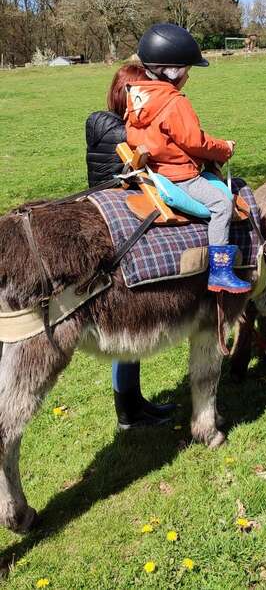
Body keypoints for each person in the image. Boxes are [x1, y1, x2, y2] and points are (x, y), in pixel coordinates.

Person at [126, 22, 252, 294]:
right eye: (187, 70)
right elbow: (195, 142)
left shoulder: (137, 98)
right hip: (180, 176)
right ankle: (220, 271)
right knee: (222, 203)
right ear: (174, 71)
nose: (188, 76)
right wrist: (225, 149)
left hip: (155, 169)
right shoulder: (174, 102)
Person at [86, 64, 176, 430]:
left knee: (130, 334)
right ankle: (128, 413)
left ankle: (135, 404)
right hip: (119, 231)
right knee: (127, 326)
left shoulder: (106, 124)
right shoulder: (114, 130)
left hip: (119, 223)